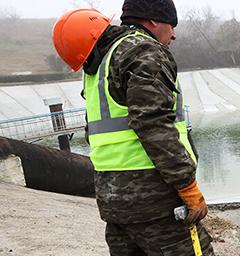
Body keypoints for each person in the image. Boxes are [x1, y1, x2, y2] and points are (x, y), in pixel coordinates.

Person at [52, 1, 213, 255]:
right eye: (171, 25)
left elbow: (94, 132)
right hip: (157, 203)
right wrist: (187, 186)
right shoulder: (145, 52)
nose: (173, 34)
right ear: (152, 21)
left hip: (114, 203)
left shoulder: (100, 63)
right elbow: (153, 125)